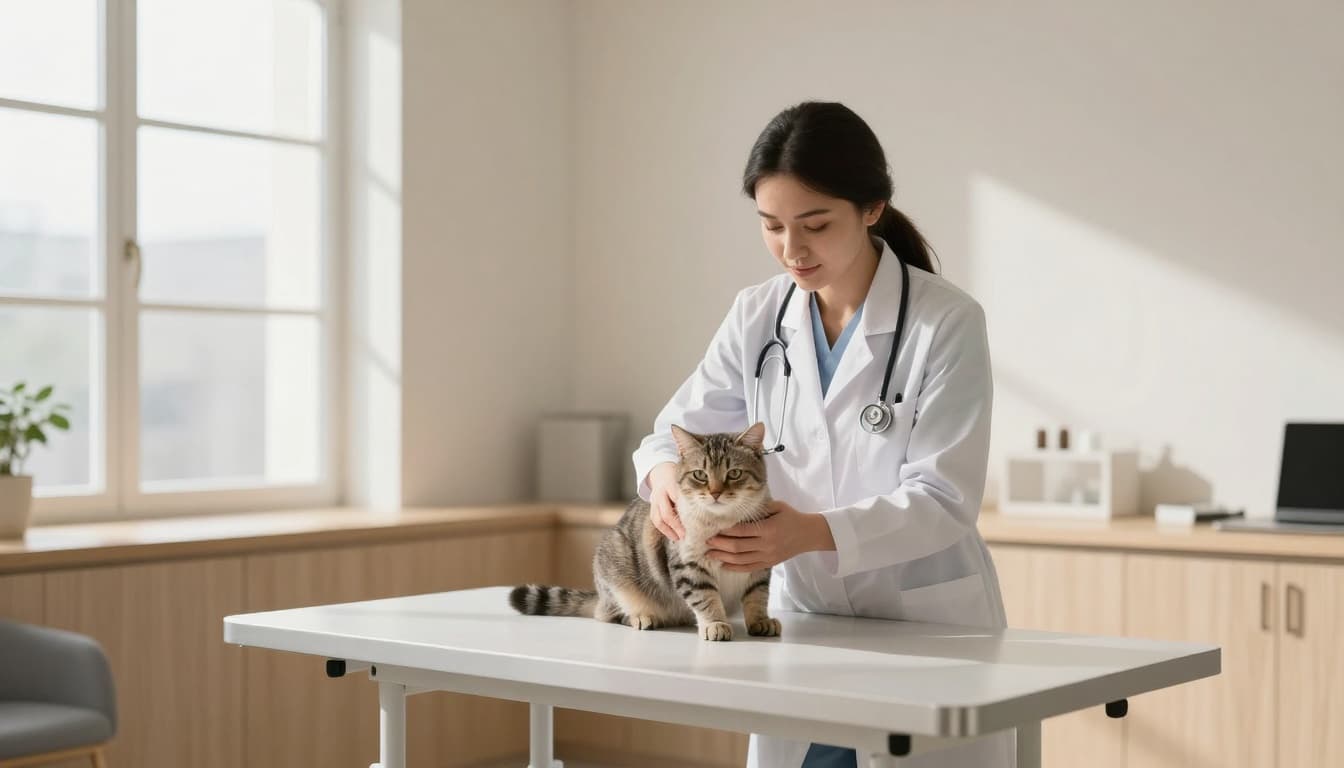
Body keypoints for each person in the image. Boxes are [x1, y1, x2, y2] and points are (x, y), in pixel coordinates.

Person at [630, 101, 1012, 768]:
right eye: (771, 226)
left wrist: (810, 532)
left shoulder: (945, 322)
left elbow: (944, 497)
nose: (791, 249)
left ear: (871, 208)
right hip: (804, 621)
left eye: (814, 224)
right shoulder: (758, 315)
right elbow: (675, 428)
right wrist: (663, 474)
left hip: (923, 629)